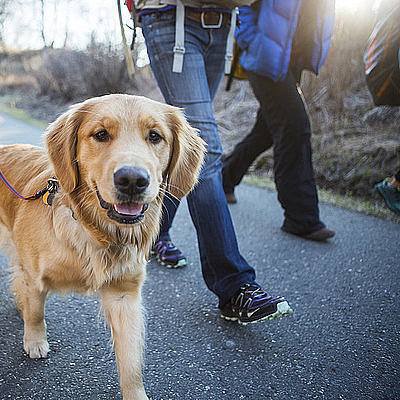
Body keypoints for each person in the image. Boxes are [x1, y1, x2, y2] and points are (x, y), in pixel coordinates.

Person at [134, 0, 292, 324]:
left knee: (183, 146)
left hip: (222, 20)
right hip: (170, 19)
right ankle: (234, 286)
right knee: (203, 146)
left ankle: (154, 234)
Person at [220, 0, 336, 242]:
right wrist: (251, 40)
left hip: (293, 62)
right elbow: (245, 5)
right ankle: (300, 217)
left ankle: (224, 179)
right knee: (294, 127)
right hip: (266, 57)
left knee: (266, 132)